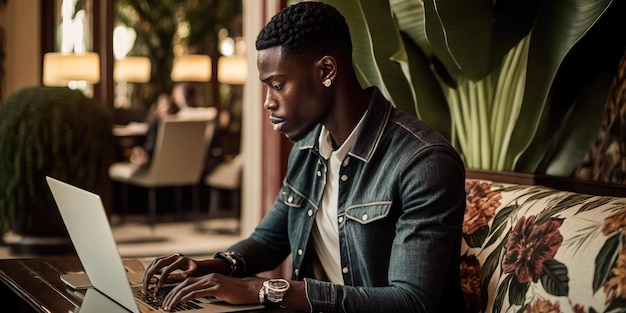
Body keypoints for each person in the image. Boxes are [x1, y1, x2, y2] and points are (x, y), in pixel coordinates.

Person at [142, 2, 467, 312]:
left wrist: (264, 290)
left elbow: (411, 302)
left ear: (326, 70)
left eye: (278, 85)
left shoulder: (424, 163)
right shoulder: (309, 148)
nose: (268, 102)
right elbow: (270, 239)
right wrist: (209, 266)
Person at [129, 93, 178, 167]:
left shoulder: (155, 123)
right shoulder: (182, 125)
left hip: (154, 165)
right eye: (161, 104)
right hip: (175, 166)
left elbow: (149, 150)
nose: (162, 108)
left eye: (165, 105)